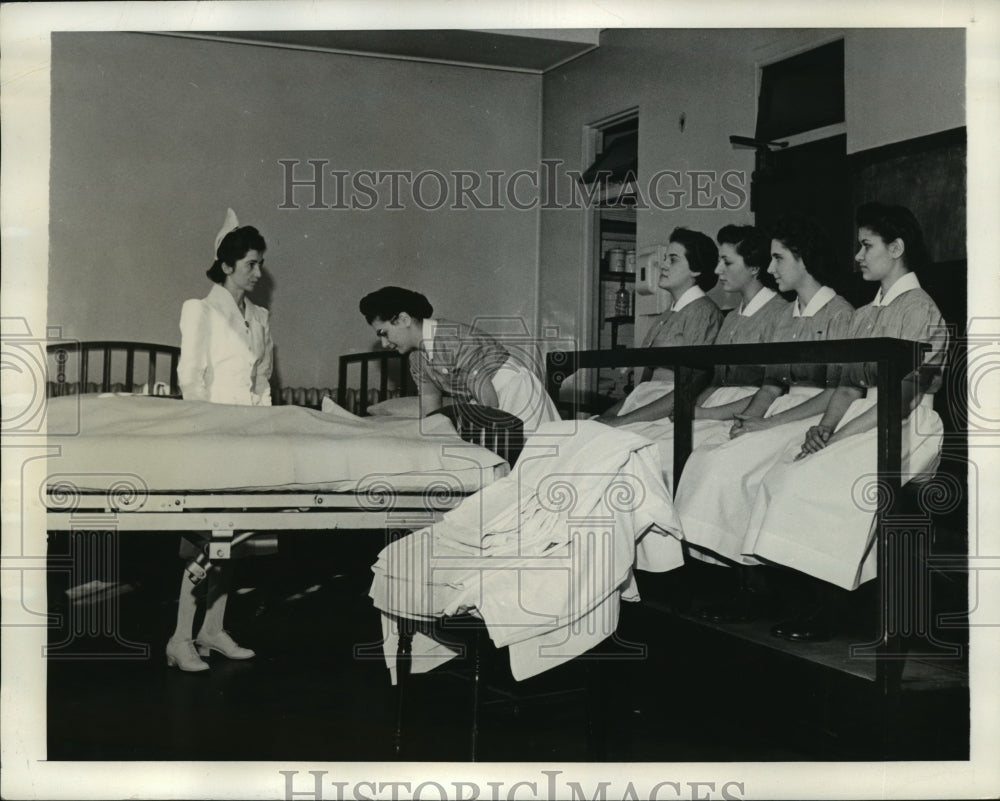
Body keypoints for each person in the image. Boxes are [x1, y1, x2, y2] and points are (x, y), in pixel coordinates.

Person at [739, 203, 947, 641]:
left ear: (896, 248)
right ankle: (809, 597)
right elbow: (848, 385)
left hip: (906, 423)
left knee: (823, 480)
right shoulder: (866, 312)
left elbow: (904, 396)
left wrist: (839, 437)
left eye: (866, 246)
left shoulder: (919, 308)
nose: (858, 255)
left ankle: (839, 606)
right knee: (785, 473)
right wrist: (824, 428)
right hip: (863, 414)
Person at [674, 216, 855, 621]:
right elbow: (772, 382)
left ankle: (779, 592)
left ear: (803, 260)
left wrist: (768, 424)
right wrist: (748, 419)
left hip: (816, 412)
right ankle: (741, 581)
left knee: (753, 473)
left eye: (778, 259)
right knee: (714, 456)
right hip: (778, 410)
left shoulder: (841, 313)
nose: (770, 269)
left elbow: (838, 389)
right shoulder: (786, 315)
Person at [166, 209, 274, 671]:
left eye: (260, 262)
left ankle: (212, 630)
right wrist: (204, 436)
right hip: (213, 429)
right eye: (251, 263)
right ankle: (178, 638)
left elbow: (264, 382)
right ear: (227, 266)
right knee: (208, 538)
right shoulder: (201, 310)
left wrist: (265, 435)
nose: (258, 272)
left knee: (234, 537)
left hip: (250, 433)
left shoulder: (262, 317)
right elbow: (190, 378)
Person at [358, 286, 560, 432]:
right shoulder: (417, 359)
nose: (385, 344)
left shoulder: (454, 340)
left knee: (534, 465)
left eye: (384, 333)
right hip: (486, 401)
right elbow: (430, 409)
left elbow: (490, 404)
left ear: (403, 319)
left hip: (513, 394)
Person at [596, 226, 725, 427]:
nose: (663, 265)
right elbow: (644, 385)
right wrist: (609, 415)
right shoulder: (667, 314)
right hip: (645, 403)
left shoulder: (704, 313)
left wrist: (622, 420)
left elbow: (690, 387)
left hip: (668, 412)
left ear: (696, 269)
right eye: (665, 258)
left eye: (672, 259)